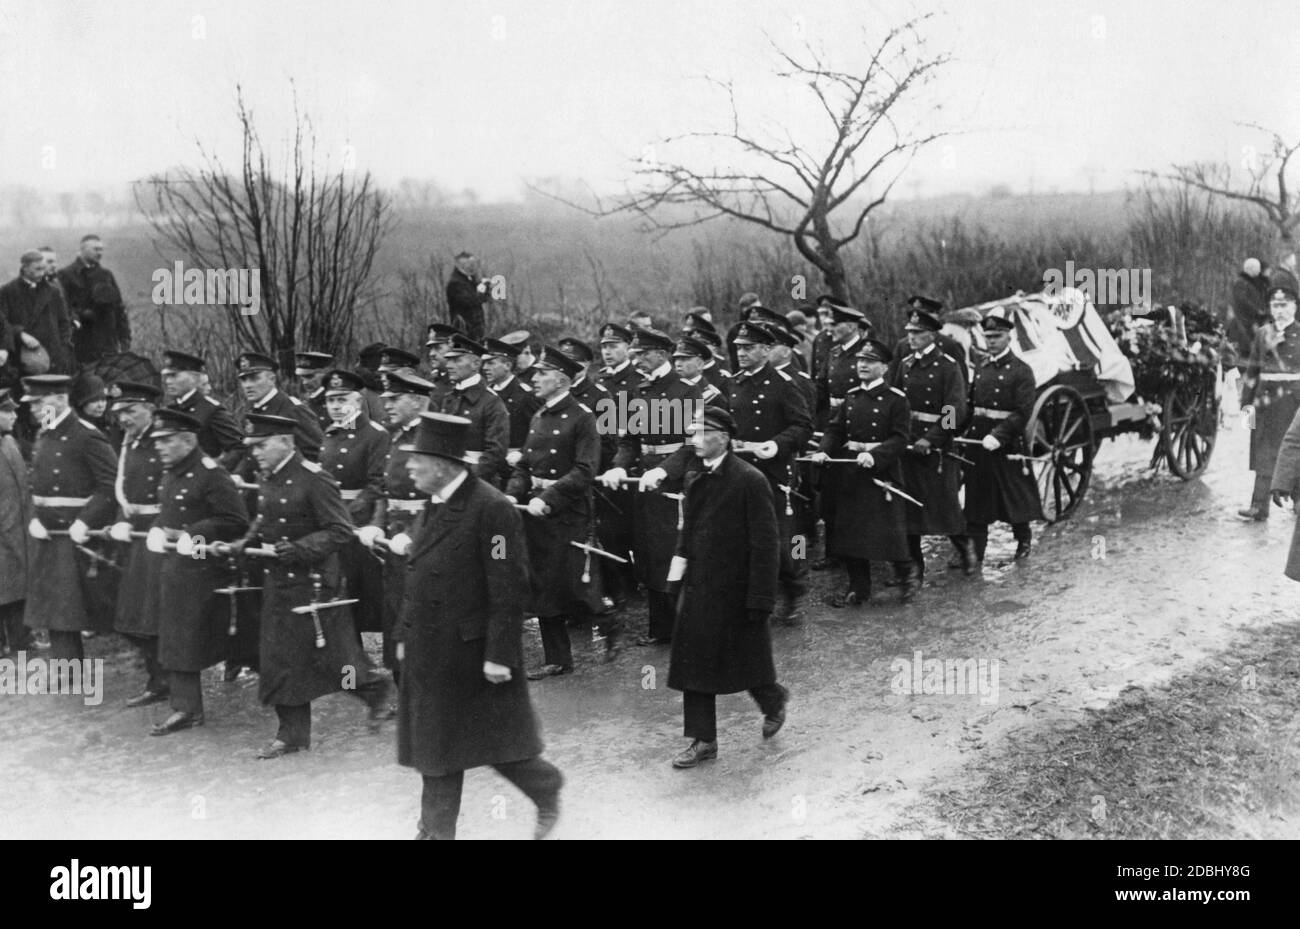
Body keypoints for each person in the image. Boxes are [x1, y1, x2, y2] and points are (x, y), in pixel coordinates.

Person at [395, 412, 563, 840]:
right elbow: (418, 575)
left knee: (495, 746)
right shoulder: (436, 504)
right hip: (432, 649)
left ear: (445, 464)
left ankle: (545, 787)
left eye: (418, 459)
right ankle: (433, 831)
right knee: (439, 751)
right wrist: (403, 636)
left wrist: (499, 654)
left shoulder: (492, 509)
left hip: (471, 652)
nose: (409, 467)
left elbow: (510, 587)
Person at [238, 413, 392, 759]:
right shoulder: (268, 476)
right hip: (279, 581)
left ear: (286, 443)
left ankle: (374, 688)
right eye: (252, 446)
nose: (255, 453)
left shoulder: (315, 479)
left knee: (336, 660)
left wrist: (299, 549)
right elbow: (264, 516)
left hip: (315, 584)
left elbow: (340, 531)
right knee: (279, 659)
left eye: (262, 445)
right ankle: (291, 734)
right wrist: (243, 542)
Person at [667, 405, 788, 769]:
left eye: (703, 433)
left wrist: (761, 598)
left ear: (726, 438)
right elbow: (688, 530)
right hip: (700, 584)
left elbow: (767, 544)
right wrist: (677, 574)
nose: (695, 440)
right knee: (693, 662)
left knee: (747, 658)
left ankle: (772, 700)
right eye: (692, 433)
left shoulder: (750, 480)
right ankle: (703, 740)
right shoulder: (695, 476)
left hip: (738, 589)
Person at [146, 409, 250, 735]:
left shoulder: (210, 474)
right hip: (177, 567)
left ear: (189, 440)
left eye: (166, 440)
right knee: (176, 637)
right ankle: (186, 708)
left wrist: (197, 533)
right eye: (157, 441)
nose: (160, 447)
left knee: (216, 639)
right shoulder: (171, 472)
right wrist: (157, 528)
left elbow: (236, 523)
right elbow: (169, 513)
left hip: (206, 571)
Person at [598, 328, 703, 646]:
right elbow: (629, 441)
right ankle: (661, 629)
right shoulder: (635, 391)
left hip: (674, 484)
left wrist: (663, 471)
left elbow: (692, 446)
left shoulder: (686, 391)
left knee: (672, 552)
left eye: (643, 353)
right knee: (647, 552)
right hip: (643, 482)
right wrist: (618, 465)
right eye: (636, 353)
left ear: (662, 354)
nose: (637, 359)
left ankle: (687, 627)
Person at [505, 347, 605, 678]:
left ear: (561, 380)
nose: (534, 379)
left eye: (542, 374)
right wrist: (512, 494)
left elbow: (584, 471)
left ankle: (610, 622)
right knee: (543, 583)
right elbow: (524, 466)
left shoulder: (583, 417)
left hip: (567, 511)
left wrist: (550, 496)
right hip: (535, 511)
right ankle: (558, 657)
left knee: (575, 585)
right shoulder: (538, 416)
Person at [20, 374, 117, 662]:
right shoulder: (44, 434)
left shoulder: (86, 435)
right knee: (56, 610)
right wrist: (37, 517)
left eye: (40, 402)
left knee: (105, 607)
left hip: (77, 536)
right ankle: (70, 671)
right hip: (50, 535)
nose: (33, 409)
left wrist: (85, 521)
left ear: (61, 400)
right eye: (32, 403)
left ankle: (156, 673)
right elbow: (37, 484)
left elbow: (110, 485)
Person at [810, 339, 915, 604]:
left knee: (888, 530)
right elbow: (835, 429)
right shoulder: (851, 396)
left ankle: (906, 576)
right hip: (851, 472)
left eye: (869, 362)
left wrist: (875, 456)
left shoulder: (896, 400)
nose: (862, 366)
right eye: (860, 361)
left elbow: (901, 438)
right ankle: (859, 587)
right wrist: (824, 449)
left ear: (884, 368)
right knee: (851, 532)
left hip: (881, 473)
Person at [725, 322, 813, 623]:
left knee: (783, 537)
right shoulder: (733, 383)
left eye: (749, 348)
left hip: (773, 470)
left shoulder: (784, 383)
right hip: (741, 470)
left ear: (766, 350)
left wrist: (777, 445)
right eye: (739, 348)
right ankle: (759, 596)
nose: (742, 353)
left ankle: (795, 591)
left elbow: (803, 426)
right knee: (746, 536)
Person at [362, 369, 436, 681]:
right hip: (394, 541)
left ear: (418, 401)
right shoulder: (393, 438)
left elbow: (440, 497)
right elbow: (383, 490)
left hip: (429, 541)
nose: (387, 403)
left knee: (426, 615)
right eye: (386, 398)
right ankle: (405, 687)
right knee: (395, 611)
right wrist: (377, 525)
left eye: (395, 398)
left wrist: (413, 535)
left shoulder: (433, 439)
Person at [890, 305, 973, 581]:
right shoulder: (904, 365)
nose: (911, 337)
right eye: (910, 332)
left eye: (918, 333)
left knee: (944, 506)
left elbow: (954, 411)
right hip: (908, 446)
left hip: (936, 449)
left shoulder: (947, 367)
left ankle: (966, 549)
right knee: (908, 507)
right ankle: (916, 567)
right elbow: (896, 403)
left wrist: (932, 438)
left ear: (932, 336)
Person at [961, 314, 1043, 563]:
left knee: (1014, 497)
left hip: (1005, 444)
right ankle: (976, 552)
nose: (992, 341)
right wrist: (949, 430)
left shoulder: (1021, 370)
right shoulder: (982, 368)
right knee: (976, 500)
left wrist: (999, 435)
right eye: (988, 337)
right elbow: (968, 406)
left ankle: (1023, 539)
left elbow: (1023, 411)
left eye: (996, 336)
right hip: (978, 443)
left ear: (1010, 336)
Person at [318, 369, 390, 657]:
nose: (335, 406)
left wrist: (346, 515)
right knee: (343, 599)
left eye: (341, 399)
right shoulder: (330, 434)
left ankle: (397, 665)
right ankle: (353, 667)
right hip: (336, 527)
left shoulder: (375, 435)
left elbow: (377, 483)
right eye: (330, 400)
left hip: (365, 526)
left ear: (358, 400)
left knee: (379, 599)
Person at [106, 382, 168, 706]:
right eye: (119, 412)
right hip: (136, 537)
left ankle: (168, 682)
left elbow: (180, 495)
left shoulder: (165, 440)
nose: (124, 419)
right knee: (133, 616)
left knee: (154, 615)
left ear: (151, 409)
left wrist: (161, 527)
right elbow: (126, 491)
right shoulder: (130, 444)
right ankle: (158, 679)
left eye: (131, 410)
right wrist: (120, 520)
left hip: (163, 537)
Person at [1240, 285, 1300, 520]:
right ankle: (1258, 506)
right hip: (1265, 404)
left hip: (1294, 403)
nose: (1280, 311)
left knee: (1294, 452)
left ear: (1295, 306)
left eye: (1284, 305)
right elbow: (1252, 372)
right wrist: (1246, 408)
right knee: (1263, 456)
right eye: (1276, 306)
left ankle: (1297, 501)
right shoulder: (1262, 333)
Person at [593, 323, 641, 604]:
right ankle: (623, 583)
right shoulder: (601, 382)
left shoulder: (638, 379)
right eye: (604, 347)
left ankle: (642, 579)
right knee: (611, 530)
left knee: (636, 528)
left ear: (627, 347)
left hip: (633, 465)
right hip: (609, 463)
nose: (608, 352)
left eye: (613, 346)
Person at [437, 334, 509, 486]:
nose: (449, 365)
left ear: (476, 364)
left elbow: (496, 452)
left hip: (479, 484)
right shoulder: (449, 399)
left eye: (457, 360)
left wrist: (466, 479)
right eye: (449, 360)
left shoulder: (491, 402)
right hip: (447, 480)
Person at [232, 352, 325, 463]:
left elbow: (317, 453)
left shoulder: (293, 409)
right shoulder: (251, 410)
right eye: (244, 380)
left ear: (272, 379)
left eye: (254, 378)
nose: (247, 385)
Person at [1, 249, 75, 377]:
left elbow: (64, 323)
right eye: (37, 269)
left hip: (53, 356)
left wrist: (64, 349)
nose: (42, 273)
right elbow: (3, 324)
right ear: (24, 268)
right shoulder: (7, 291)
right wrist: (20, 334)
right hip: (23, 357)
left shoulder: (53, 291)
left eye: (43, 268)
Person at [58, 234, 130, 366]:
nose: (99, 253)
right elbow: (62, 308)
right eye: (95, 249)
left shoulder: (106, 275)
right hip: (80, 341)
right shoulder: (65, 275)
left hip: (107, 341)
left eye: (101, 249)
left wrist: (124, 337)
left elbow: (119, 308)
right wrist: (80, 314)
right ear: (82, 250)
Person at [160, 350, 244, 463]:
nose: (168, 381)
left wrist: (216, 468)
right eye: (167, 376)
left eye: (174, 375)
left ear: (194, 378)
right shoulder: (169, 410)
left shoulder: (211, 410)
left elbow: (238, 448)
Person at [0, 389, 32, 656]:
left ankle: (22, 639)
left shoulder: (10, 441)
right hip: (3, 529)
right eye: (7, 411)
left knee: (17, 584)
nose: (14, 415)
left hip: (17, 527)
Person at [483, 338, 540, 484]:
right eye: (484, 363)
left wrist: (521, 454)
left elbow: (539, 433)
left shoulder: (526, 395)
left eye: (491, 363)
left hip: (514, 471)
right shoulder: (485, 394)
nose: (485, 368)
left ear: (507, 365)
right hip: (487, 468)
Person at [1228, 258, 1270, 369]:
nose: (1259, 271)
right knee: (1245, 343)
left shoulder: (1250, 282)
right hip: (1244, 319)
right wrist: (1257, 310)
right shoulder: (1241, 282)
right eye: (1257, 269)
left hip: (1251, 319)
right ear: (1251, 269)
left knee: (1253, 342)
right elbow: (1242, 300)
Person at [445, 251, 490, 340]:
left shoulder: (468, 279)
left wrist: (485, 287)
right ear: (460, 266)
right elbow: (470, 301)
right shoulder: (456, 283)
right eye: (468, 264)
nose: (472, 267)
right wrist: (482, 291)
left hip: (474, 328)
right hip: (464, 330)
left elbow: (481, 298)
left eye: (473, 264)